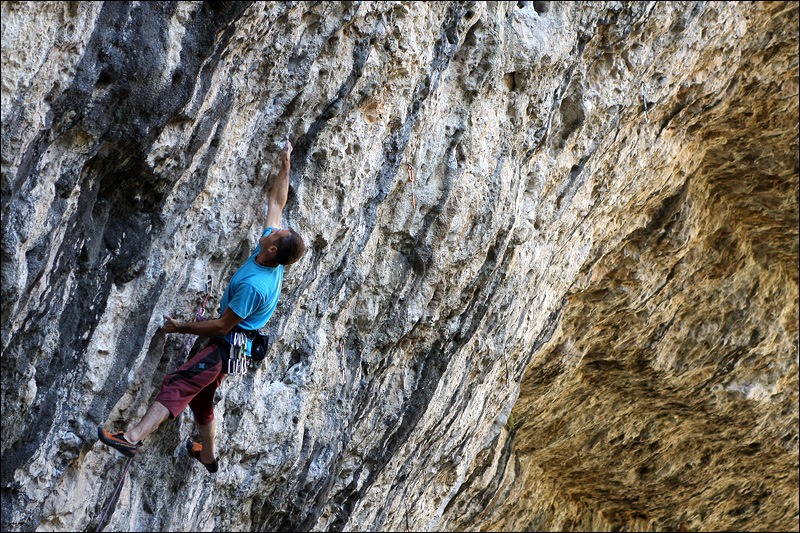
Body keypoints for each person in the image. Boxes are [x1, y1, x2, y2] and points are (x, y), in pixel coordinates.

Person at [97, 140, 305, 473]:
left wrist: (179, 326)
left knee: (180, 383)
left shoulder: (256, 285)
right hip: (237, 345)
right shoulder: (271, 255)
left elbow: (223, 326)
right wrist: (285, 165)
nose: (273, 229)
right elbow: (276, 201)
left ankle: (132, 438)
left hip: (228, 344)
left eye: (276, 234)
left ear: (270, 251)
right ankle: (207, 455)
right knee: (201, 397)